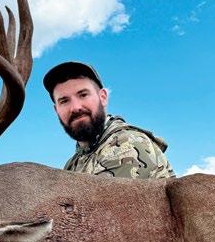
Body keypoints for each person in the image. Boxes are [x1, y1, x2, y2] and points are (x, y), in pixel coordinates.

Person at [43, 61, 175, 179]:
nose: (75, 107)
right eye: (64, 101)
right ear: (56, 110)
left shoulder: (127, 144)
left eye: (83, 95)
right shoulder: (73, 164)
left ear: (103, 98)